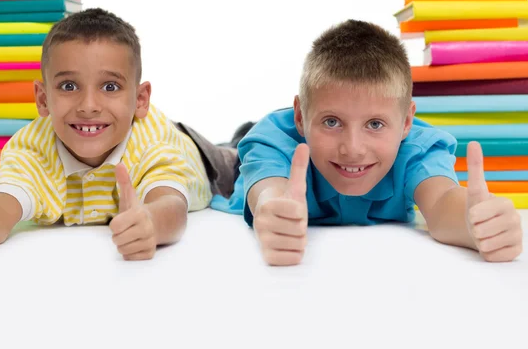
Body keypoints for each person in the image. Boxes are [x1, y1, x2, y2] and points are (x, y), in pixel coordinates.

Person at [0, 8, 237, 262]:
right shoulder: (32, 150)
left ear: (140, 100)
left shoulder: (154, 143)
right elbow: (2, 207)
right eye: (68, 86)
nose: (88, 106)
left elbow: (171, 205)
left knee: (238, 159)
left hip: (205, 159)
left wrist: (152, 224)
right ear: (42, 99)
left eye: (110, 87)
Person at [211, 20, 524, 266]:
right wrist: (273, 213)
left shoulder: (418, 149)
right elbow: (269, 192)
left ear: (405, 123)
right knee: (217, 159)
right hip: (238, 160)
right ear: (301, 117)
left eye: (375, 124)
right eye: (332, 122)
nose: (353, 148)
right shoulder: (273, 143)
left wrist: (474, 225)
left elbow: (442, 203)